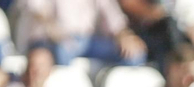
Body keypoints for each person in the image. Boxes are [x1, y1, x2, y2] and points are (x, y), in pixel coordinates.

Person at [17, 0, 146, 67]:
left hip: (87, 40)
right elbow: (36, 10)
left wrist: (124, 35)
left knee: (135, 55)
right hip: (53, 40)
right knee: (63, 51)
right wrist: (56, 31)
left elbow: (113, 16)